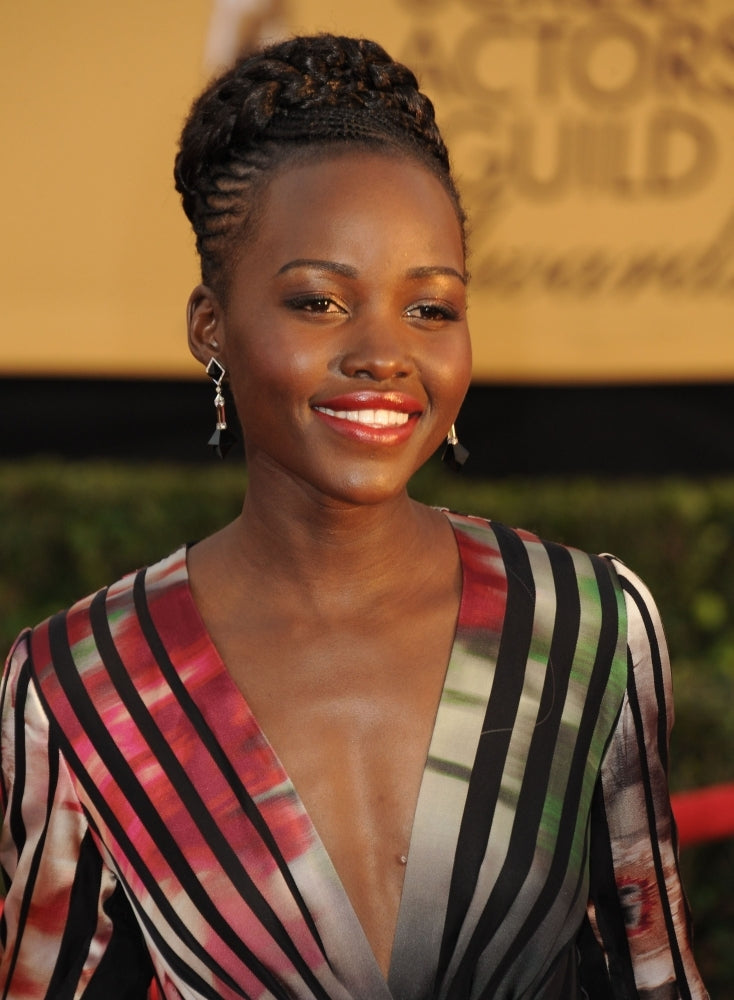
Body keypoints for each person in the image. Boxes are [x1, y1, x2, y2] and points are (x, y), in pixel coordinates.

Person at [0, 33, 708, 1000]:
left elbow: (656, 975)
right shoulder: (80, 684)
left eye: (430, 310)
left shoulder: (587, 627)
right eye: (320, 301)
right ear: (211, 322)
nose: (384, 352)